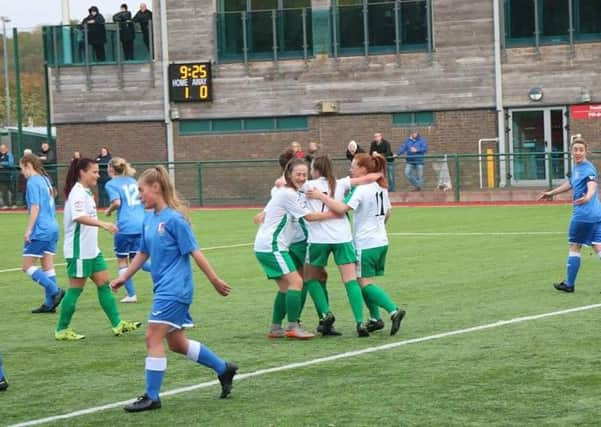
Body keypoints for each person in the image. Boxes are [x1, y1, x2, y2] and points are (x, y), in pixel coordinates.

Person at [110, 165, 237, 412]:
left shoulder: (174, 219)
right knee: (177, 343)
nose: (138, 196)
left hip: (175, 290)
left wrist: (214, 280)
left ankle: (152, 396)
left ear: (155, 188)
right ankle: (224, 369)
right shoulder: (149, 218)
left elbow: (195, 252)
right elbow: (143, 252)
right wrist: (124, 277)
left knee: (152, 337)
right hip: (165, 289)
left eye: (141, 190)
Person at [308, 153, 406, 336]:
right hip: (381, 240)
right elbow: (388, 213)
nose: (350, 169)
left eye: (353, 166)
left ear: (363, 169)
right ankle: (375, 319)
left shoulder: (360, 190)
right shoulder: (381, 187)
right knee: (364, 281)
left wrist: (322, 197)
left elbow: (341, 209)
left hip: (365, 242)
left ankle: (393, 311)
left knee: (364, 282)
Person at [55, 157, 141, 340]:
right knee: (75, 290)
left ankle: (118, 324)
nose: (98, 175)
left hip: (91, 251)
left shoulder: (85, 192)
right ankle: (61, 330)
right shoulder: (77, 193)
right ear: (82, 173)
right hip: (79, 251)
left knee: (104, 285)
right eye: (94, 172)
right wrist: (103, 224)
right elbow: (78, 217)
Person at [254, 158, 340, 339]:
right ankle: (293, 326)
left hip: (269, 245)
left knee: (286, 288)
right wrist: (333, 213)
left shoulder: (287, 191)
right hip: (272, 245)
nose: (301, 178)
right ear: (289, 175)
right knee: (297, 283)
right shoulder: (288, 194)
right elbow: (308, 217)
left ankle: (276, 328)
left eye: (304, 174)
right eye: (298, 174)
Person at [538, 138, 601, 293]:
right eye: (575, 149)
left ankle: (569, 284)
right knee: (598, 246)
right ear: (571, 151)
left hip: (583, 215)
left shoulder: (588, 169)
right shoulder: (577, 168)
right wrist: (551, 193)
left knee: (575, 246)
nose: (578, 152)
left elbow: (592, 185)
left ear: (586, 151)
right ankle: (569, 283)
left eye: (581, 149)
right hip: (596, 213)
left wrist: (587, 197)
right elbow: (570, 183)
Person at [20, 154, 65, 313]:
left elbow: (35, 207)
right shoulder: (45, 179)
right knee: (47, 266)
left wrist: (29, 230)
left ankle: (55, 290)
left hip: (41, 229)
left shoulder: (32, 181)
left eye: (22, 168)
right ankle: (49, 304)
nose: (22, 172)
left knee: (26, 266)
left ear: (27, 165)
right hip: (53, 226)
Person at [105, 157, 146, 303]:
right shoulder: (133, 181)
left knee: (122, 260)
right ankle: (163, 270)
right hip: (141, 224)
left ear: (111, 169)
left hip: (125, 226)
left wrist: (109, 211)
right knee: (139, 259)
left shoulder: (111, 184)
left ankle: (131, 295)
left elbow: (116, 202)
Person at [0, 143, 15, 209]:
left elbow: (11, 163)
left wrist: (2, 164)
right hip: (1, 177)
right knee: (4, 191)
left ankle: (13, 204)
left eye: (3, 148)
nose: (2, 149)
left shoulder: (9, 155)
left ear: (7, 149)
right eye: (1, 149)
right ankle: (6, 204)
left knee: (12, 190)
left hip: (10, 176)